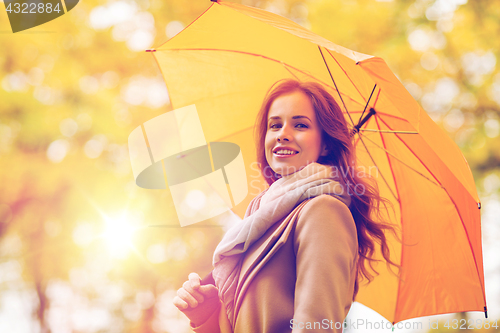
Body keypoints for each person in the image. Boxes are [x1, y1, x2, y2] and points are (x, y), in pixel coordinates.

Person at [173, 79, 397, 332]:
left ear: (325, 144)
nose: (283, 134)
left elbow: (316, 326)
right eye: (275, 125)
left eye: (300, 125)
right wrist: (207, 315)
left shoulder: (324, 212)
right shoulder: (261, 216)